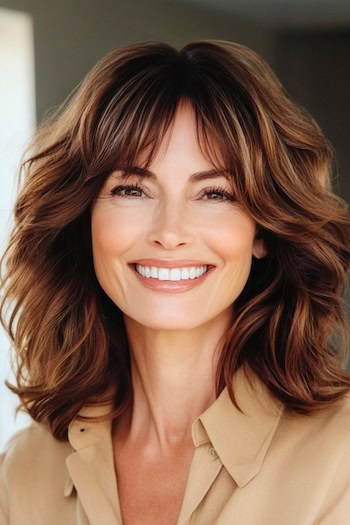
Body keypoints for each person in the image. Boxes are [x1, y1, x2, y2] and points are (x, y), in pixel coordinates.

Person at [0, 39, 349, 525]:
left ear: (263, 231)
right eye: (132, 189)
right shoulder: (24, 472)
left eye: (213, 193)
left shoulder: (341, 458)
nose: (169, 232)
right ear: (86, 220)